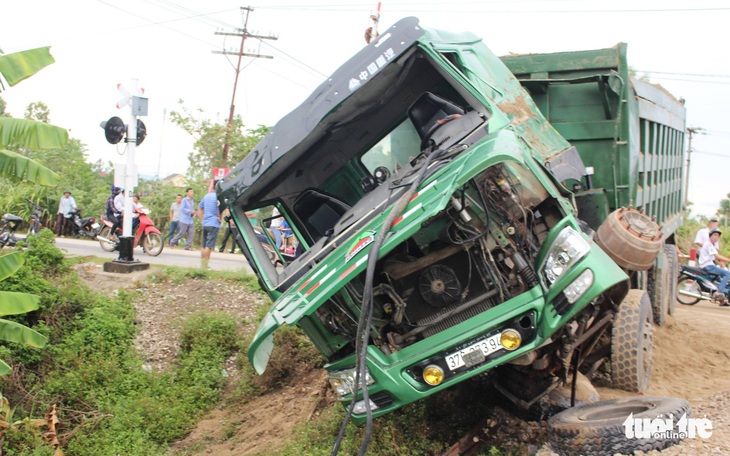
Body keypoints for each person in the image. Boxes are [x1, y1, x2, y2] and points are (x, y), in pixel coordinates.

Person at [698, 228, 730, 305]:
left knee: (719, 281)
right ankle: (719, 292)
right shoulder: (708, 244)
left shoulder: (711, 245)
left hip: (710, 265)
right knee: (727, 274)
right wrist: (728, 260)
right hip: (708, 266)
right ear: (710, 236)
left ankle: (722, 301)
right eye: (715, 235)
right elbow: (717, 256)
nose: (716, 237)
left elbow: (716, 257)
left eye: (718, 235)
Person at [198, 188, 221, 269]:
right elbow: (220, 209)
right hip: (214, 224)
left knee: (204, 245)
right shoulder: (218, 197)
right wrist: (220, 218)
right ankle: (205, 266)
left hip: (205, 223)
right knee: (209, 245)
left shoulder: (206, 196)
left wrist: (202, 219)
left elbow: (200, 208)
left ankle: (203, 265)